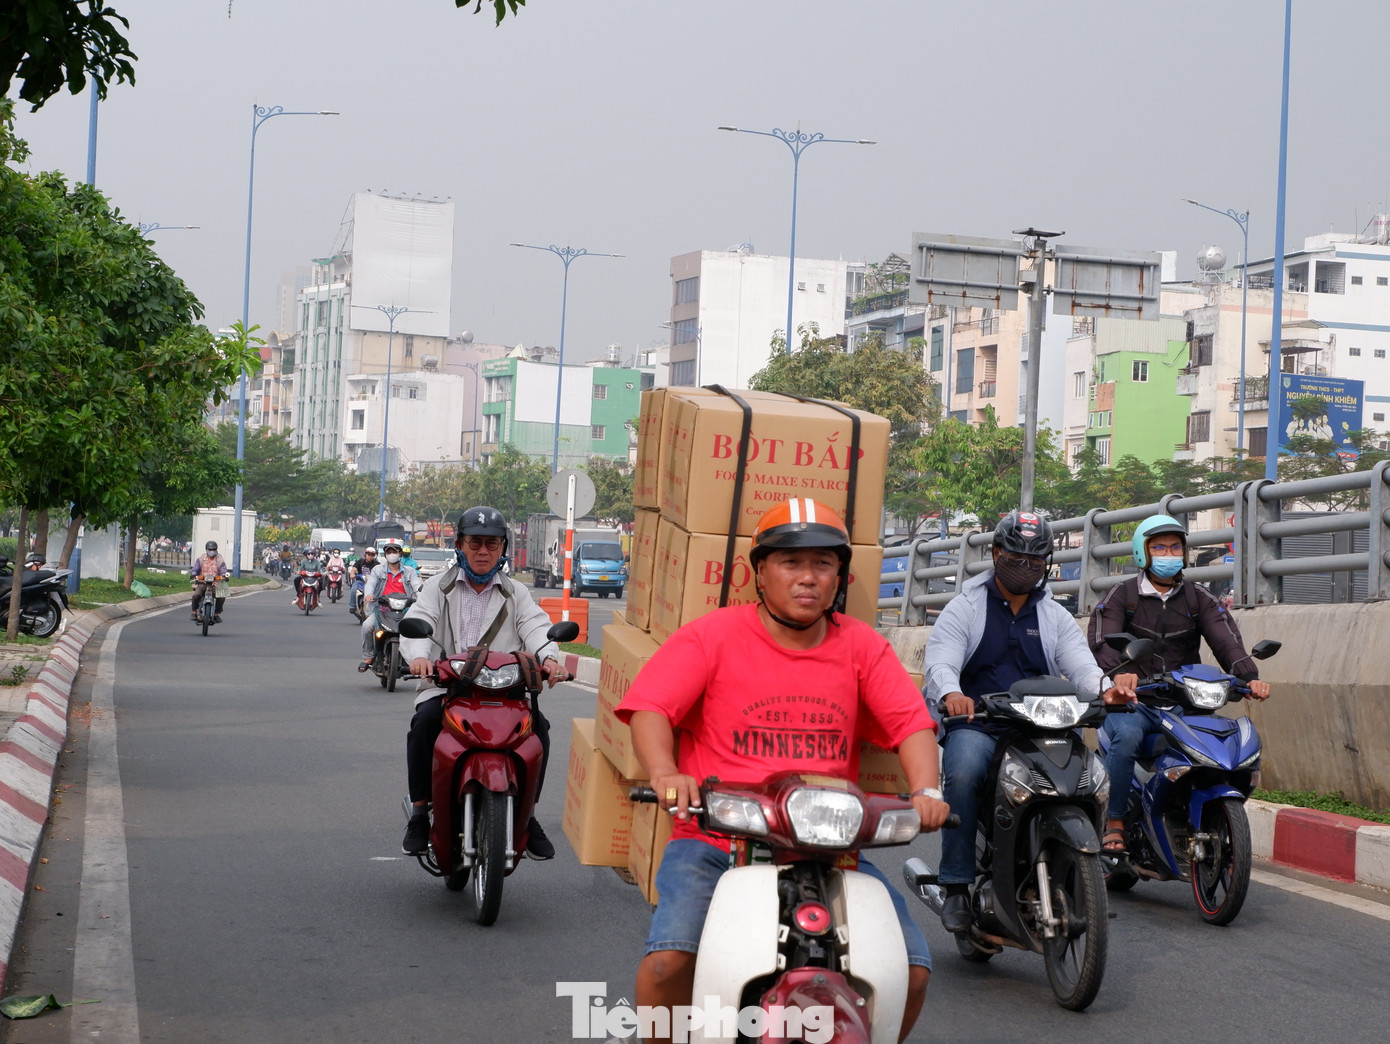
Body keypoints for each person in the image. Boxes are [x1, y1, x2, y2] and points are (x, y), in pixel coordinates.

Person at [616, 498, 950, 1044]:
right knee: (668, 964)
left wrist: (926, 790)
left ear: (839, 575)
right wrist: (664, 771)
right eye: (791, 563)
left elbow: (912, 725)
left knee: (910, 970)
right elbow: (652, 708)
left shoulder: (862, 645)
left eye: (822, 564)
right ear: (760, 574)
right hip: (715, 838)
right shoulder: (713, 636)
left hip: (832, 847)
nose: (807, 578)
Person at [922, 509, 1134, 934]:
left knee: (1090, 775)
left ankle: (1078, 865)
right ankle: (958, 883)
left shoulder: (1053, 614)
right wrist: (952, 694)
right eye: (1016, 558)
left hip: (1042, 724)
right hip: (980, 722)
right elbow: (940, 660)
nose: (1026, 568)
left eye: (1036, 561)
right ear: (997, 553)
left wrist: (1105, 689)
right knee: (962, 773)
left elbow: (1081, 665)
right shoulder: (965, 606)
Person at [1087, 513, 1271, 858]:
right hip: (1134, 700)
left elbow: (1225, 640)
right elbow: (1102, 642)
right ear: (1143, 553)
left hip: (1185, 701)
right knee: (1126, 737)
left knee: (1220, 742)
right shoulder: (1121, 595)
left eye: (1175, 547)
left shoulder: (1198, 597)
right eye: (1159, 547)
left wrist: (1250, 677)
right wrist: (1119, 675)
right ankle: (1115, 822)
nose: (1169, 554)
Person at [398, 507, 568, 859]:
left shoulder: (516, 592)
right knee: (424, 724)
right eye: (475, 542)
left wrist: (550, 659)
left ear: (503, 548)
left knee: (540, 731)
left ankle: (528, 814)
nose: (483, 551)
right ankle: (419, 813)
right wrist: (419, 656)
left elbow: (536, 627)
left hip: (504, 691)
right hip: (447, 687)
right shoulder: (437, 587)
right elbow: (419, 619)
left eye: (492, 544)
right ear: (460, 544)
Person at [358, 542, 420, 670]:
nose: (392, 555)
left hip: (405, 609)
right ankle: (369, 656)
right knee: (367, 626)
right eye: (389, 552)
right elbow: (371, 584)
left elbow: (416, 585)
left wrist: (421, 596)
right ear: (385, 555)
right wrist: (369, 594)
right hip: (382, 608)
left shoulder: (410, 571)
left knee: (417, 629)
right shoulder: (378, 570)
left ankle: (415, 657)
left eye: (395, 552)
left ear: (400, 554)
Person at [190, 540, 230, 622]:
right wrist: (194, 575)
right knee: (196, 595)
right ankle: (194, 612)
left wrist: (224, 576)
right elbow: (195, 569)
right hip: (202, 583)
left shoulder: (220, 560)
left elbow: (223, 571)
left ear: (216, 550)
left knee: (221, 597)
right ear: (206, 550)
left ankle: (216, 614)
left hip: (215, 584)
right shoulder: (201, 559)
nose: (212, 551)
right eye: (210, 549)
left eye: (214, 549)